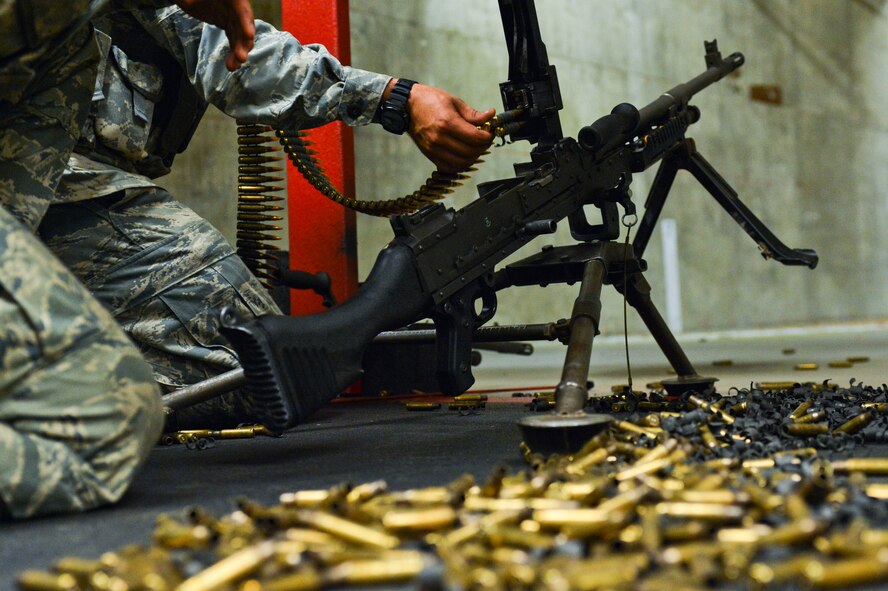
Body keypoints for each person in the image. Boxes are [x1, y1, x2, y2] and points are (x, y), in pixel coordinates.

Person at [39, 6, 495, 429]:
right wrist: (395, 98)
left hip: (62, 193)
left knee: (270, 360)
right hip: (56, 187)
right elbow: (235, 60)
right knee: (262, 372)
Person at [0, 0, 255, 520]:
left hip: (52, 201)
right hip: (79, 197)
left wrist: (393, 97)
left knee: (248, 361)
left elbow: (242, 50)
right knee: (106, 423)